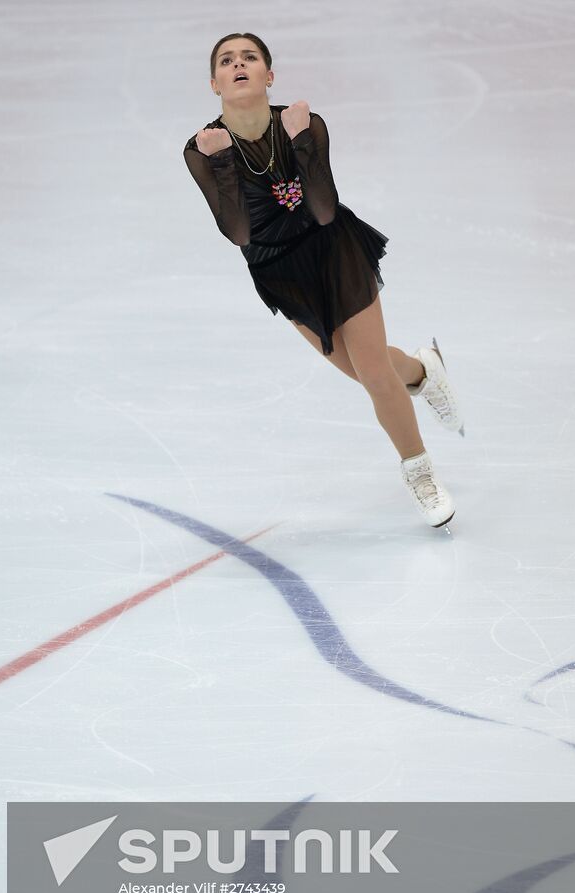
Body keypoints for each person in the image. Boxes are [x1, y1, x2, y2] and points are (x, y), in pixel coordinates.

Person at [183, 32, 464, 528]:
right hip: (278, 271)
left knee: (375, 374)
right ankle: (422, 372)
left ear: (270, 76)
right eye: (227, 61)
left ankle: (419, 473)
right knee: (367, 374)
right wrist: (223, 162)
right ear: (214, 83)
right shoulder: (202, 149)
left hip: (334, 248)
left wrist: (301, 142)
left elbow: (324, 208)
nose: (239, 64)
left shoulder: (302, 123)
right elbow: (238, 231)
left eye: (250, 57)